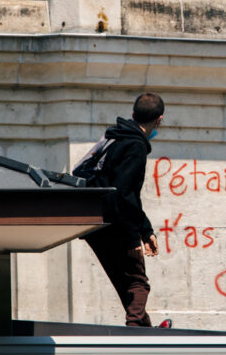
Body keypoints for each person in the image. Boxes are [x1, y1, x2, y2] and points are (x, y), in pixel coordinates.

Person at [82, 93, 167, 328]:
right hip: (114, 223)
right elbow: (125, 195)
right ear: (159, 120)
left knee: (125, 283)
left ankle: (143, 328)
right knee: (139, 282)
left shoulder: (113, 137)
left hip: (92, 224)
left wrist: (145, 229)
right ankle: (134, 336)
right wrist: (135, 237)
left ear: (133, 114)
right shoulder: (135, 146)